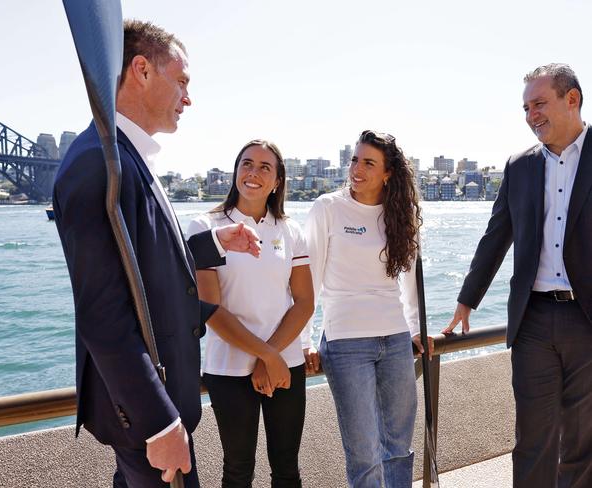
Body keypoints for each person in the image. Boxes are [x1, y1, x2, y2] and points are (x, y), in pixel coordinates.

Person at [53, 20, 277, 488]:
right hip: (148, 420)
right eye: (182, 81)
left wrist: (214, 243)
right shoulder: (100, 164)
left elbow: (143, 262)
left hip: (156, 411)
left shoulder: (125, 157)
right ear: (141, 70)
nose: (188, 98)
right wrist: (158, 421)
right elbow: (103, 313)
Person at [444, 64, 592, 488]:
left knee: (583, 440)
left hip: (587, 319)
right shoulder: (519, 166)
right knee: (532, 439)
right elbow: (495, 237)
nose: (531, 115)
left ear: (572, 99)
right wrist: (466, 301)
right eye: (526, 107)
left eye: (539, 103)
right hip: (532, 321)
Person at [187, 140, 314, 487]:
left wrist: (270, 358)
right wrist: (267, 355)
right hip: (228, 367)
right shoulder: (205, 227)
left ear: (277, 181)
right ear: (235, 172)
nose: (253, 173)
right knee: (238, 469)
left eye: (264, 167)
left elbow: (304, 302)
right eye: (247, 164)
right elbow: (210, 308)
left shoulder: (291, 231)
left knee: (287, 468)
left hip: (286, 366)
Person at [304, 130, 426, 488]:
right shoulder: (328, 208)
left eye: (368, 162)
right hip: (346, 343)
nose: (356, 168)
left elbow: (409, 280)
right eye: (355, 159)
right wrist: (304, 340)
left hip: (396, 339)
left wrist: (416, 328)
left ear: (387, 173)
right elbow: (309, 279)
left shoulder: (401, 215)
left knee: (398, 446)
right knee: (364, 453)